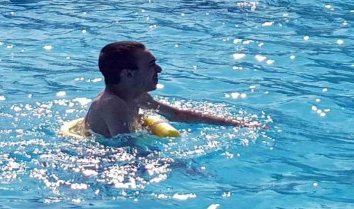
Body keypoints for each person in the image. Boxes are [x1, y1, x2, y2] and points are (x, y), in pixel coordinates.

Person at [85, 41, 258, 138]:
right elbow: (126, 150)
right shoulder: (112, 105)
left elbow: (178, 115)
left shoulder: (137, 96)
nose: (159, 70)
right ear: (128, 74)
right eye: (151, 65)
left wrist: (237, 124)